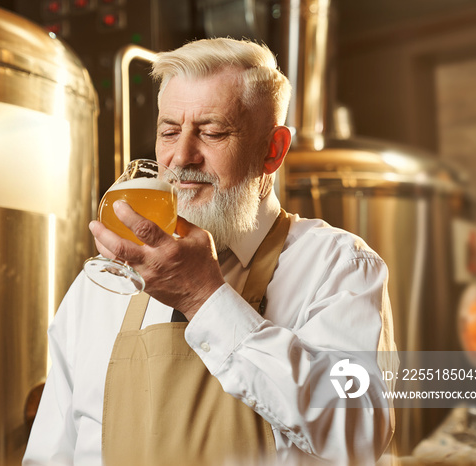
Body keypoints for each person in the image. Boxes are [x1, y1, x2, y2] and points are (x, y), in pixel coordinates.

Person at [23, 37, 397, 466]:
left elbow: (360, 435)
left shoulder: (339, 267)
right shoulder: (99, 291)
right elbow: (49, 456)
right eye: (168, 131)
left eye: (213, 131)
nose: (181, 156)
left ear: (272, 150)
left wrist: (204, 297)